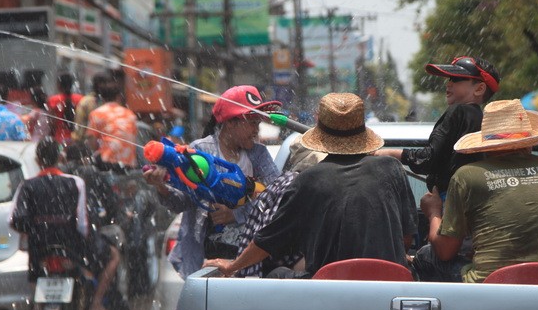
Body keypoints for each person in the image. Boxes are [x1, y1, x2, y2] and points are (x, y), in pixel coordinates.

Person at [202, 93, 417, 278]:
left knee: (277, 273)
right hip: (390, 280)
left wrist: (233, 266)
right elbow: (406, 238)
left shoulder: (309, 179)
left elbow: (268, 240)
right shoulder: (392, 168)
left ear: (321, 136)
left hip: (329, 286)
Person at [420, 99, 538, 283]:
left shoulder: (467, 175)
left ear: (485, 147)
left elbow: (445, 251)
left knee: (425, 256)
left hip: (494, 283)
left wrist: (433, 212)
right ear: (529, 142)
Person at [144, 85, 283, 279]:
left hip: (246, 261)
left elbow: (277, 198)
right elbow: (182, 202)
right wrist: (161, 186)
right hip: (204, 258)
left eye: (258, 123)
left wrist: (237, 214)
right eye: (252, 123)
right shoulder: (200, 151)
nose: (256, 130)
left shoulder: (258, 154)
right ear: (230, 123)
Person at [7, 138, 111, 310]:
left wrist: (35, 232)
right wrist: (85, 243)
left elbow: (14, 219)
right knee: (91, 275)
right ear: (60, 158)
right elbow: (83, 223)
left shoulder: (27, 185)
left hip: (40, 253)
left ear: (38, 160)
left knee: (36, 293)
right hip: (70, 251)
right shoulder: (75, 183)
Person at [63, 142, 149, 310]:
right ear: (87, 157)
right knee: (114, 289)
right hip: (89, 245)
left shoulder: (59, 175)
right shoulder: (91, 175)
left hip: (61, 245)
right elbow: (110, 207)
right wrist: (122, 218)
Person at [376, 55, 499, 195]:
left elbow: (428, 159)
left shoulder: (457, 111)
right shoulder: (481, 118)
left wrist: (388, 153)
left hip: (450, 199)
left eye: (456, 79)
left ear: (479, 88)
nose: (449, 84)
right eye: (449, 78)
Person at [233, 137, 326, 277]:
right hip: (264, 276)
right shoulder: (296, 185)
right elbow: (270, 240)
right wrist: (233, 266)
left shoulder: (290, 182)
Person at [85, 71, 138, 169]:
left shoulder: (97, 113)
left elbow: (92, 143)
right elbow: (132, 139)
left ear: (102, 97)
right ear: (118, 97)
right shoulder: (130, 114)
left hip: (107, 162)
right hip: (129, 163)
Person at [47, 71, 84, 144]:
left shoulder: (53, 100)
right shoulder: (80, 99)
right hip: (76, 139)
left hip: (59, 138)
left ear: (59, 85)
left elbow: (51, 122)